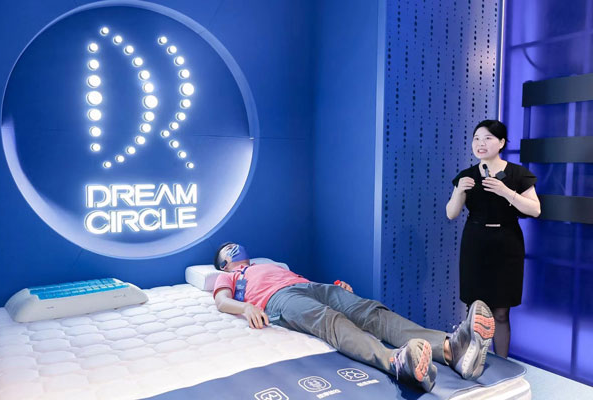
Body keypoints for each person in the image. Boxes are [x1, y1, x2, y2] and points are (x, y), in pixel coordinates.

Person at [212, 242, 495, 392]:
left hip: (311, 286)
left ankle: (451, 349)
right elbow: (222, 301)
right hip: (277, 299)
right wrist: (246, 308)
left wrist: (335, 289)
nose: (235, 247)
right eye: (229, 248)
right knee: (330, 320)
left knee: (369, 311)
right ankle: (396, 362)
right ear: (223, 262)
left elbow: (302, 282)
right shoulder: (228, 276)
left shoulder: (269, 264)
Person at [446, 120, 540, 358]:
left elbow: (535, 209)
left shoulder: (518, 173)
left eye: (488, 138)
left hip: (507, 244)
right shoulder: (466, 176)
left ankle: (502, 364)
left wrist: (505, 191)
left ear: (501, 143)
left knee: (501, 312)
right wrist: (459, 191)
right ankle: (471, 362)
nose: (480, 143)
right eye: (476, 138)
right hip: (475, 243)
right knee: (474, 310)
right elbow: (451, 213)